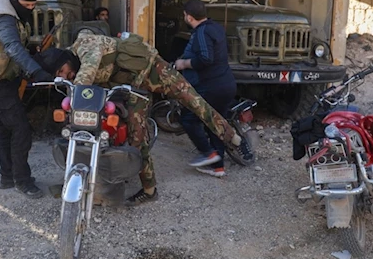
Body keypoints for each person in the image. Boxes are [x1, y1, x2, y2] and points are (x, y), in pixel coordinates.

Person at [41, 32, 244, 206]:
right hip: (133, 87)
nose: (65, 75)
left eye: (62, 70)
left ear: (66, 60)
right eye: (59, 74)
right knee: (137, 136)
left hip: (155, 71)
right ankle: (149, 190)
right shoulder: (71, 57)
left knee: (194, 102)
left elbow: (88, 72)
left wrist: (76, 91)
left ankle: (231, 136)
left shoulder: (86, 48)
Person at [0, 0, 52, 198]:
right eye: (26, 5)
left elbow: (15, 46)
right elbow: (12, 47)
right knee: (21, 130)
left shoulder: (12, 15)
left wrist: (33, 50)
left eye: (33, 6)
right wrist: (36, 71)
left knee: (7, 130)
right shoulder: (3, 19)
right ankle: (22, 181)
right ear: (14, 1)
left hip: (7, 81)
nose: (30, 9)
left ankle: (7, 177)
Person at [175, 0, 253, 177]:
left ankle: (208, 153)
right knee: (216, 123)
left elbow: (206, 58)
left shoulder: (202, 32)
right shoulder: (216, 27)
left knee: (188, 119)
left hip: (211, 86)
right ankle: (218, 167)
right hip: (226, 84)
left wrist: (184, 63)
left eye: (184, 14)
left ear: (188, 16)